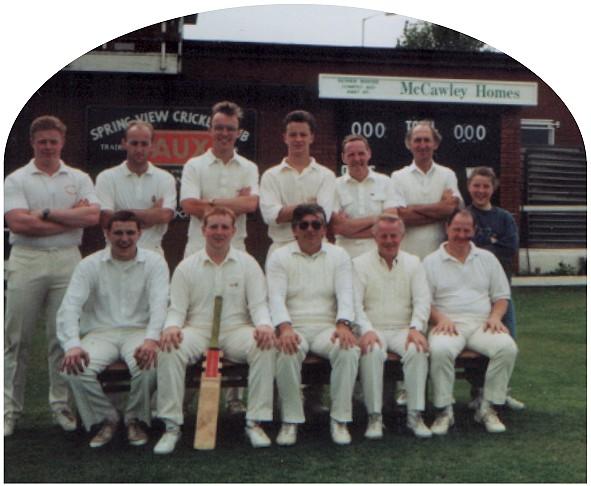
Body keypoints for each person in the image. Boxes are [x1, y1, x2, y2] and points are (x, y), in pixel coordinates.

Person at [4, 115, 100, 437]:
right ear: (33, 143)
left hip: (67, 261)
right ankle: (8, 410)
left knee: (62, 337)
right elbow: (18, 224)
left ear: (62, 142)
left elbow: (92, 216)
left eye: (53, 141)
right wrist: (69, 218)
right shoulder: (16, 180)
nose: (48, 147)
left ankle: (60, 406)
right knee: (16, 339)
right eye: (42, 141)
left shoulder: (79, 177)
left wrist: (44, 213)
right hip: (26, 259)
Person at [153, 207, 276, 454]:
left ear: (233, 230)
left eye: (224, 227)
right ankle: (171, 427)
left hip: (235, 330)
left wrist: (263, 324)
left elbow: (259, 304)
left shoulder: (248, 263)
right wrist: (172, 327)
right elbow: (177, 309)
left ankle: (255, 422)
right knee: (169, 348)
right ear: (203, 230)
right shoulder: (186, 267)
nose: (219, 233)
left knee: (265, 345)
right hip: (197, 331)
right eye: (214, 227)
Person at [56, 211, 169, 448]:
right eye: (118, 232)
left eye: (130, 232)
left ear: (140, 233)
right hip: (100, 333)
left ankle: (134, 419)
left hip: (139, 332)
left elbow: (160, 305)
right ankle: (107, 418)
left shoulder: (155, 262)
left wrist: (151, 339)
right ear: (106, 233)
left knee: (149, 365)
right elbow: (70, 307)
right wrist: (73, 345)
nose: (124, 238)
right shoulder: (89, 264)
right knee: (72, 369)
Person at [266, 204, 359, 446]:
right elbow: (275, 298)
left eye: (316, 224)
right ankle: (291, 420)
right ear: (294, 230)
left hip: (327, 327)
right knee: (287, 351)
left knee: (347, 349)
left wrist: (343, 324)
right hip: (293, 327)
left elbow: (346, 294)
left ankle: (339, 420)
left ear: (324, 229)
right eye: (303, 225)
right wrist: (284, 328)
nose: (310, 230)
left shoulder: (339, 255)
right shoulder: (278, 257)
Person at [423, 209, 518, 435]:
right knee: (440, 350)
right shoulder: (431, 261)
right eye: (457, 229)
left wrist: (495, 317)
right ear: (447, 228)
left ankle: (487, 407)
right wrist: (440, 318)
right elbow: (423, 301)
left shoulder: (487, 259)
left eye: (467, 230)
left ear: (474, 231)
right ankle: (444, 411)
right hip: (447, 324)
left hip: (482, 324)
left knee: (507, 348)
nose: (461, 234)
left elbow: (501, 296)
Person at [353, 214, 432, 439]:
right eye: (384, 235)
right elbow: (355, 304)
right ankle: (374, 417)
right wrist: (366, 330)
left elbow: (422, 301)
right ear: (374, 236)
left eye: (393, 236)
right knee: (371, 351)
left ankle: (415, 414)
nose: (389, 241)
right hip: (373, 328)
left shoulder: (414, 263)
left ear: (402, 236)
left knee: (417, 350)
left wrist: (416, 328)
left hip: (403, 329)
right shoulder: (359, 264)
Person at [467, 166, 524, 411]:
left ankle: (501, 393)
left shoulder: (504, 217)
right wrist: (491, 243)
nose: (481, 191)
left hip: (501, 292)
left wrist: (483, 243)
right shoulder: (464, 216)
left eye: (486, 186)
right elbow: (465, 248)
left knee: (506, 341)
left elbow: (509, 248)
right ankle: (479, 393)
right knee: (478, 345)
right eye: (476, 185)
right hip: (474, 291)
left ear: (494, 188)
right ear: (469, 187)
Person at [180, 101, 259, 256]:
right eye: (219, 128)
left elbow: (250, 204)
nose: (224, 133)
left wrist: (209, 202)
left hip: (236, 247)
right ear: (210, 130)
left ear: (238, 133)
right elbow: (189, 205)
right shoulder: (193, 165)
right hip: (198, 246)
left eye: (230, 129)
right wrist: (236, 203)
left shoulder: (249, 167)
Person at [260, 110, 336, 258]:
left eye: (303, 134)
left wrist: (285, 211)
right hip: (281, 248)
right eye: (293, 135)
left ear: (312, 137)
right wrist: (310, 206)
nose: (298, 139)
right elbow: (271, 216)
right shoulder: (270, 176)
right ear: (285, 138)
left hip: (318, 249)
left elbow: (323, 216)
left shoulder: (326, 175)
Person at [95, 120, 177, 253]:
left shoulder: (165, 178)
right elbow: (105, 219)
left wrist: (120, 214)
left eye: (144, 144)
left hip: (153, 253)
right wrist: (150, 214)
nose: (139, 149)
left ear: (152, 146)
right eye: (134, 143)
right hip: (115, 252)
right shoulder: (106, 177)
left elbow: (164, 216)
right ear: (124, 144)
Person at [391, 120, 463, 260]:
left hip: (441, 257)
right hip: (408, 256)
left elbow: (449, 210)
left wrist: (412, 209)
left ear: (435, 144)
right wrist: (439, 209)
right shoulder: (397, 177)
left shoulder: (448, 174)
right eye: (417, 140)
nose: (422, 145)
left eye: (427, 140)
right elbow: (401, 216)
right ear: (409, 144)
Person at [331, 135, 401, 258]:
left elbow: (390, 223)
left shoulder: (385, 182)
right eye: (351, 155)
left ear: (369, 154)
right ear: (343, 158)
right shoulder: (334, 186)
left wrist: (349, 226)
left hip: (378, 254)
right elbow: (338, 228)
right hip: (345, 256)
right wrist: (378, 218)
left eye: (361, 153)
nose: (357, 158)